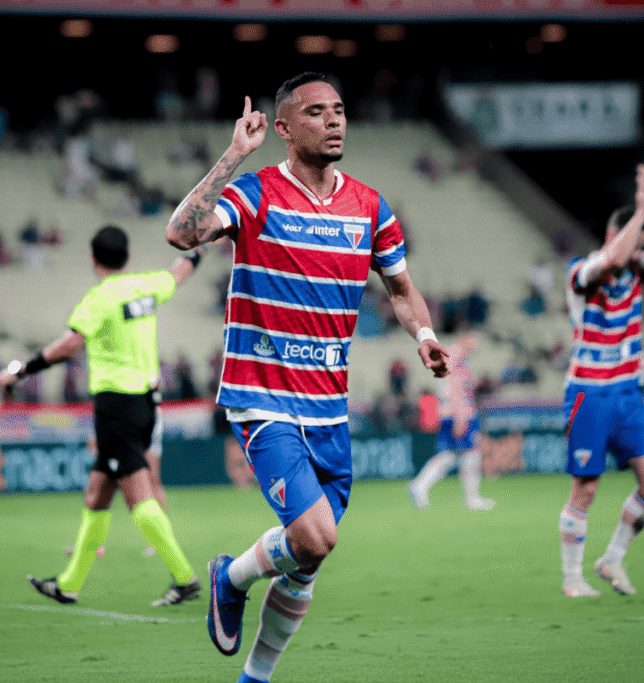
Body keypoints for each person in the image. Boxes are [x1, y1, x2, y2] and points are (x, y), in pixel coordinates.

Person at [165, 72, 451, 683]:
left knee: (305, 562)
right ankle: (232, 577)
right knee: (317, 537)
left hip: (329, 409)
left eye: (340, 110)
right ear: (286, 128)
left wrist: (424, 337)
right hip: (264, 399)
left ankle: (255, 676)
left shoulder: (370, 206)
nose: (334, 121)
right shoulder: (256, 193)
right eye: (317, 112)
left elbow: (401, 290)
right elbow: (181, 233)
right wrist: (234, 155)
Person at [0, 225, 205, 607]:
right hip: (145, 405)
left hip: (117, 407)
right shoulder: (146, 286)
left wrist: (21, 371)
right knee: (97, 493)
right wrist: (199, 250)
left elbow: (70, 344)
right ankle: (69, 585)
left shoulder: (98, 299)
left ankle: (185, 577)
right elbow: (179, 272)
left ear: (93, 259)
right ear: (126, 256)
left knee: (138, 497)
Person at [558, 164, 644, 598]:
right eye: (634, 240)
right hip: (588, 393)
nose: (639, 249)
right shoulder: (582, 272)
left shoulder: (637, 273)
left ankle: (612, 558)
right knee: (586, 487)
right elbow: (611, 259)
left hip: (628, 393)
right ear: (616, 235)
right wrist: (637, 216)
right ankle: (572, 579)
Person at [408, 332, 495, 511]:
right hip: (460, 413)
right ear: (464, 337)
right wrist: (459, 416)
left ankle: (421, 485)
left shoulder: (453, 356)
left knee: (454, 455)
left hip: (454, 412)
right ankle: (471, 498)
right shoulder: (457, 357)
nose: (476, 342)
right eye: (474, 337)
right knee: (468, 453)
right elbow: (454, 387)